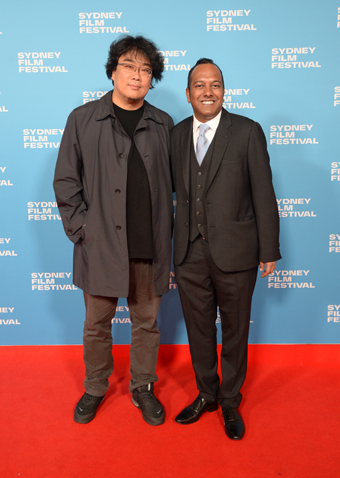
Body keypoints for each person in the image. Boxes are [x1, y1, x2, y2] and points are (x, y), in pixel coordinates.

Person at [53, 35, 174, 426]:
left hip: (149, 244)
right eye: (128, 66)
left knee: (146, 324)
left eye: (145, 69)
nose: (136, 75)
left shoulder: (163, 123)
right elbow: (66, 181)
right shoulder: (83, 118)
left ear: (151, 78)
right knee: (96, 325)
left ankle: (143, 386)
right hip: (100, 245)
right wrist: (82, 231)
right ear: (112, 71)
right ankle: (94, 386)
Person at [170, 58, 281, 439]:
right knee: (199, 330)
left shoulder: (247, 132)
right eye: (199, 85)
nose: (207, 91)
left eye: (215, 84)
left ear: (224, 91)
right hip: (188, 254)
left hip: (236, 252)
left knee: (234, 330)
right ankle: (207, 394)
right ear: (188, 94)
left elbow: (264, 194)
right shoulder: (176, 134)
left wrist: (269, 250)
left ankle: (230, 400)